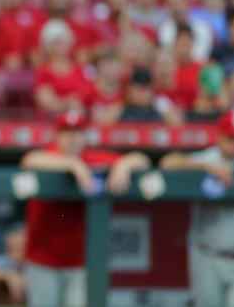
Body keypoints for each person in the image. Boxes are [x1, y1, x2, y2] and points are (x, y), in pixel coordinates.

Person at [21, 110, 150, 307]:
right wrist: (72, 164)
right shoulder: (48, 156)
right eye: (67, 133)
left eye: (77, 133)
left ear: (84, 136)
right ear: (57, 136)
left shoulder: (91, 157)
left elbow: (143, 160)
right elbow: (29, 160)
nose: (72, 139)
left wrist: (124, 164)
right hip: (42, 261)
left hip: (79, 263)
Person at [159, 111, 234, 307]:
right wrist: (206, 166)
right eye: (230, 138)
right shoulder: (208, 156)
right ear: (219, 136)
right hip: (207, 255)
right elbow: (167, 163)